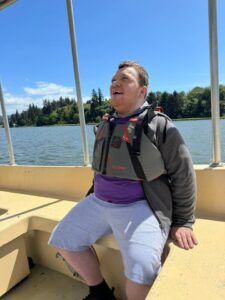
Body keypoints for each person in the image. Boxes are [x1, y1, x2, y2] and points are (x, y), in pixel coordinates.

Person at [48, 60, 198, 300]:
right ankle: (100, 293)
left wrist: (183, 221)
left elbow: (184, 175)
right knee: (62, 239)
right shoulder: (105, 124)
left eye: (125, 78)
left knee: (141, 269)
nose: (115, 83)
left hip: (140, 206)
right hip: (98, 201)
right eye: (113, 80)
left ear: (142, 90)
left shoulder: (160, 126)